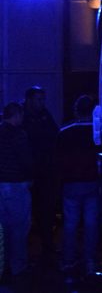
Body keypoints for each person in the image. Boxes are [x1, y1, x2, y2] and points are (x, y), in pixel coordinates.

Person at [56, 95, 100, 277]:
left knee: (70, 223)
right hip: (92, 182)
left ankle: (68, 260)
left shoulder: (64, 131)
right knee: (91, 224)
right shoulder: (97, 132)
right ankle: (90, 261)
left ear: (76, 110)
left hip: (70, 183)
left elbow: (58, 158)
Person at [21, 86, 58, 259]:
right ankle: (25, 252)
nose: (42, 103)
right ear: (29, 100)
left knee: (46, 210)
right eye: (39, 99)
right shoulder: (22, 116)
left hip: (45, 171)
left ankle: (46, 246)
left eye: (43, 99)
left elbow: (55, 135)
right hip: (29, 173)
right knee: (27, 213)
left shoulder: (44, 114)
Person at [0, 102, 32, 284]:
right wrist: (31, 176)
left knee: (2, 228)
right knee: (19, 228)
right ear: (16, 115)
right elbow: (25, 160)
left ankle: (3, 265)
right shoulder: (19, 134)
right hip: (16, 185)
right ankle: (17, 266)